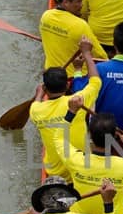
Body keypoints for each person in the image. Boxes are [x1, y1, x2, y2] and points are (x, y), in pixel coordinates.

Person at [29, 43, 102, 175]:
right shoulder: (76, 101)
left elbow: (36, 102)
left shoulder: (35, 111)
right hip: (79, 167)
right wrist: (86, 54)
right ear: (68, 84)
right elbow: (96, 81)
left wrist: (39, 94)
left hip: (54, 171)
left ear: (45, 88)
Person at [71, 21, 123, 131]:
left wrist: (77, 70)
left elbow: (79, 91)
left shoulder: (100, 68)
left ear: (114, 44)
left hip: (100, 127)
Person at [64, 111, 123, 214]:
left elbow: (57, 138)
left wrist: (70, 113)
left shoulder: (73, 159)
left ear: (89, 135)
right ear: (114, 137)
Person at [40, 0, 107, 73]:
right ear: (66, 2)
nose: (81, 5)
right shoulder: (80, 25)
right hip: (77, 76)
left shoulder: (45, 17)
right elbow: (100, 56)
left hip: (51, 73)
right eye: (78, 1)